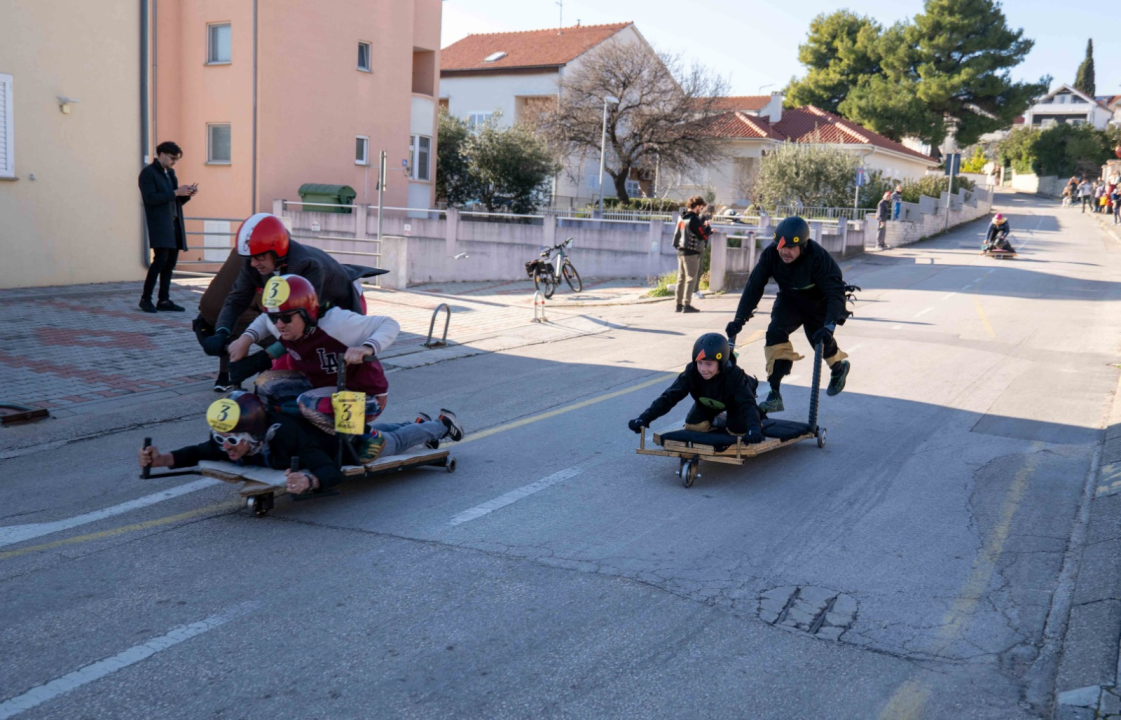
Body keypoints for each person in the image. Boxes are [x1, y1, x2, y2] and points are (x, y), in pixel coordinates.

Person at [138, 391, 464, 495]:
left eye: (232, 439)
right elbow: (198, 451)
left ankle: (441, 425)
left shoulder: (289, 442)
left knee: (390, 441)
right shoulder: (231, 443)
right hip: (334, 431)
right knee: (388, 430)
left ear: (253, 435)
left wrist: (309, 479)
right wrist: (160, 458)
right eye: (220, 438)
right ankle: (419, 423)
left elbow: (332, 468)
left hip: (349, 444)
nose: (225, 447)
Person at [226, 274, 399, 433]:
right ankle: (286, 436)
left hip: (367, 397)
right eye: (274, 318)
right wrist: (246, 339)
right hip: (322, 390)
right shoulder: (282, 323)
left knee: (308, 403)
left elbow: (389, 323)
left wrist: (367, 347)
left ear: (306, 313)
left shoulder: (336, 323)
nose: (278, 325)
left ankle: (364, 437)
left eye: (286, 318)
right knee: (266, 385)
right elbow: (265, 319)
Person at [724, 216, 851, 414]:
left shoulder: (818, 257)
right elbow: (754, 286)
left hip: (819, 301)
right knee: (774, 333)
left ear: (803, 245)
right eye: (781, 246)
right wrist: (740, 318)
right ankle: (775, 393)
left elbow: (836, 292)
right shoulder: (771, 255)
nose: (784, 251)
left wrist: (829, 325)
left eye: (791, 247)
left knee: (819, 341)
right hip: (790, 298)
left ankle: (838, 367)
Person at [199, 213, 364, 357]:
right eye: (250, 258)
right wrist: (222, 332)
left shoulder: (307, 266)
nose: (254, 264)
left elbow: (305, 322)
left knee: (334, 360)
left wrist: (262, 359)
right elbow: (237, 299)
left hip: (342, 301)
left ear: (277, 250)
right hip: (309, 308)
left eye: (260, 257)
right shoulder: (253, 261)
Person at [627, 333, 764, 442]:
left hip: (735, 403)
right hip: (707, 402)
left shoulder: (734, 375)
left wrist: (754, 428)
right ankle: (720, 419)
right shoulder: (692, 372)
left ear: (721, 363)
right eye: (700, 363)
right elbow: (670, 396)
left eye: (709, 364)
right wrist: (645, 418)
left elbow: (747, 403)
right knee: (693, 426)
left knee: (738, 430)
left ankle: (745, 419)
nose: (703, 369)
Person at [138, 141, 196, 313]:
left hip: (174, 224)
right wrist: (175, 192)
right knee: (159, 262)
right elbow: (150, 199)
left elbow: (175, 200)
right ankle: (145, 299)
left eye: (176, 160)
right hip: (160, 224)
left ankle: (164, 300)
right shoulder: (148, 174)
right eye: (172, 158)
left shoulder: (170, 173)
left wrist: (187, 194)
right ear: (161, 154)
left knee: (170, 263)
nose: (173, 163)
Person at [672, 196, 711, 314]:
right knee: (691, 278)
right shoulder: (694, 219)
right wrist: (708, 227)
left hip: (680, 251)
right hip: (691, 252)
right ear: (697, 206)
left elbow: (676, 236)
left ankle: (678, 305)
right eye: (701, 207)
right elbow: (703, 236)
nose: (701, 209)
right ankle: (687, 305)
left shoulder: (681, 218)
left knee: (681, 278)